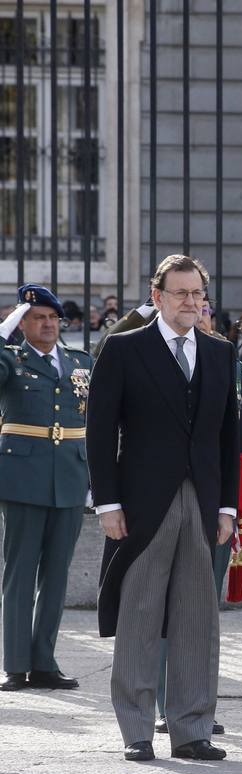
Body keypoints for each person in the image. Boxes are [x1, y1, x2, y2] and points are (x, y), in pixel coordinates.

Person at [87, 254, 240, 762]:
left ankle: (193, 728)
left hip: (201, 500)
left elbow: (226, 438)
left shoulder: (220, 353)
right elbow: (101, 431)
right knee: (140, 611)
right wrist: (106, 502)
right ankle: (137, 729)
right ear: (157, 297)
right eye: (181, 294)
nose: (192, 303)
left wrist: (228, 508)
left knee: (199, 616)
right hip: (141, 502)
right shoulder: (124, 349)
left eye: (198, 294)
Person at [0, 285, 91, 692]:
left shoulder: (79, 362)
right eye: (38, 317)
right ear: (22, 324)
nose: (49, 324)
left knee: (56, 576)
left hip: (70, 476)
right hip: (23, 477)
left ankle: (44, 662)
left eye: (53, 318)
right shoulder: (11, 361)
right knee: (20, 574)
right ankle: (15, 664)